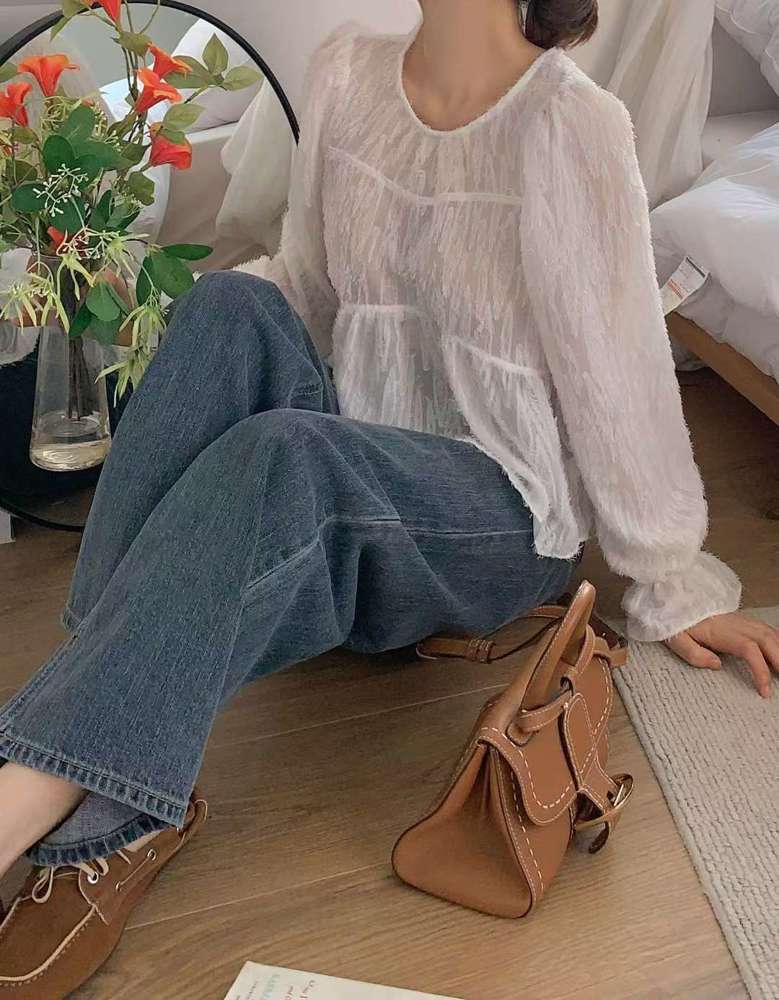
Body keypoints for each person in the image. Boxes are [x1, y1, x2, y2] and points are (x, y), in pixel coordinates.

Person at [1, 0, 777, 994]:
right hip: (359, 456)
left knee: (287, 453)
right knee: (230, 301)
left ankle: (52, 794)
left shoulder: (570, 124)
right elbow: (309, 288)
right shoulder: (345, 73)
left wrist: (670, 577)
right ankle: (95, 748)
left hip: (497, 514)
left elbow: (618, 374)